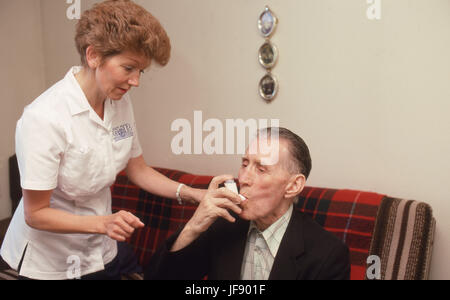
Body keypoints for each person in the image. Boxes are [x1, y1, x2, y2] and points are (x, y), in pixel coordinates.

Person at [0, 0, 205, 280]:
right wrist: (103, 223)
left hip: (101, 251)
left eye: (141, 71)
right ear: (94, 55)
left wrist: (193, 193)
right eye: (129, 68)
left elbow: (138, 169)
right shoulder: (44, 118)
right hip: (51, 263)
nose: (136, 81)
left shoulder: (119, 102)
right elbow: (35, 214)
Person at [145, 127, 351, 280]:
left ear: (293, 186)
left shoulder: (328, 254)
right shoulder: (222, 224)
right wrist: (194, 226)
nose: (243, 178)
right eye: (244, 164)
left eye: (261, 169)